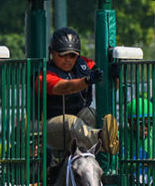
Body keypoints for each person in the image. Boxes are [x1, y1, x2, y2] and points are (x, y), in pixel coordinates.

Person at [44, 27, 118, 155]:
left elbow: (109, 86)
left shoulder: (85, 64)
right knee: (70, 122)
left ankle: (115, 146)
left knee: (92, 114)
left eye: (72, 55)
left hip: (76, 125)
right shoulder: (44, 73)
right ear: (51, 52)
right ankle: (103, 140)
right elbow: (66, 87)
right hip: (46, 127)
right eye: (62, 54)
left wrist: (115, 77)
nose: (67, 59)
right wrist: (86, 81)